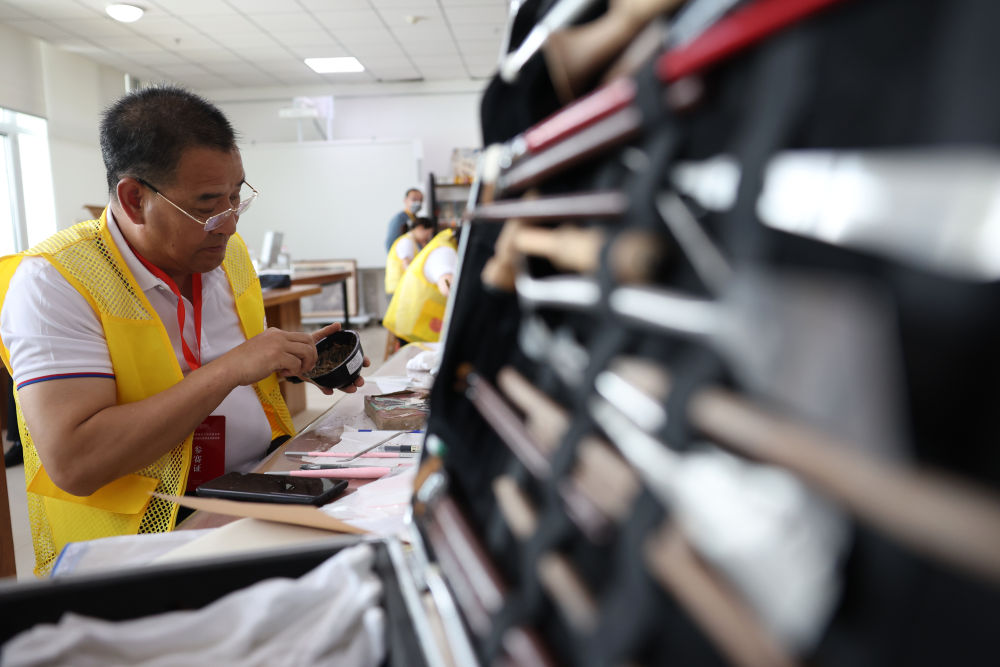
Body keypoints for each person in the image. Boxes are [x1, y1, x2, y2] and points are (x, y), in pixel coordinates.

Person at [0, 85, 368, 576]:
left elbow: (228, 364)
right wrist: (230, 370)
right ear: (134, 199)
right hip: (137, 548)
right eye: (208, 205)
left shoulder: (224, 254)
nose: (229, 225)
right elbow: (75, 462)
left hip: (253, 489)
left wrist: (288, 361)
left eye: (237, 197)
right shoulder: (55, 282)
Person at [383, 226, 460, 344]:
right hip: (414, 327)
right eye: (427, 233)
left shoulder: (442, 243)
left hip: (413, 318)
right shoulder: (445, 251)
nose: (427, 238)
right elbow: (448, 287)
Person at [384, 217, 436, 297]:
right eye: (428, 234)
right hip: (398, 289)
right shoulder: (406, 242)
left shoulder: (411, 241)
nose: (428, 238)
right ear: (420, 228)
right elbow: (406, 265)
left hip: (399, 288)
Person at [384, 188, 423, 252]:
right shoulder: (399, 219)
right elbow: (390, 243)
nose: (418, 203)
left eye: (420, 200)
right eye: (414, 199)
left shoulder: (415, 218)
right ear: (405, 200)